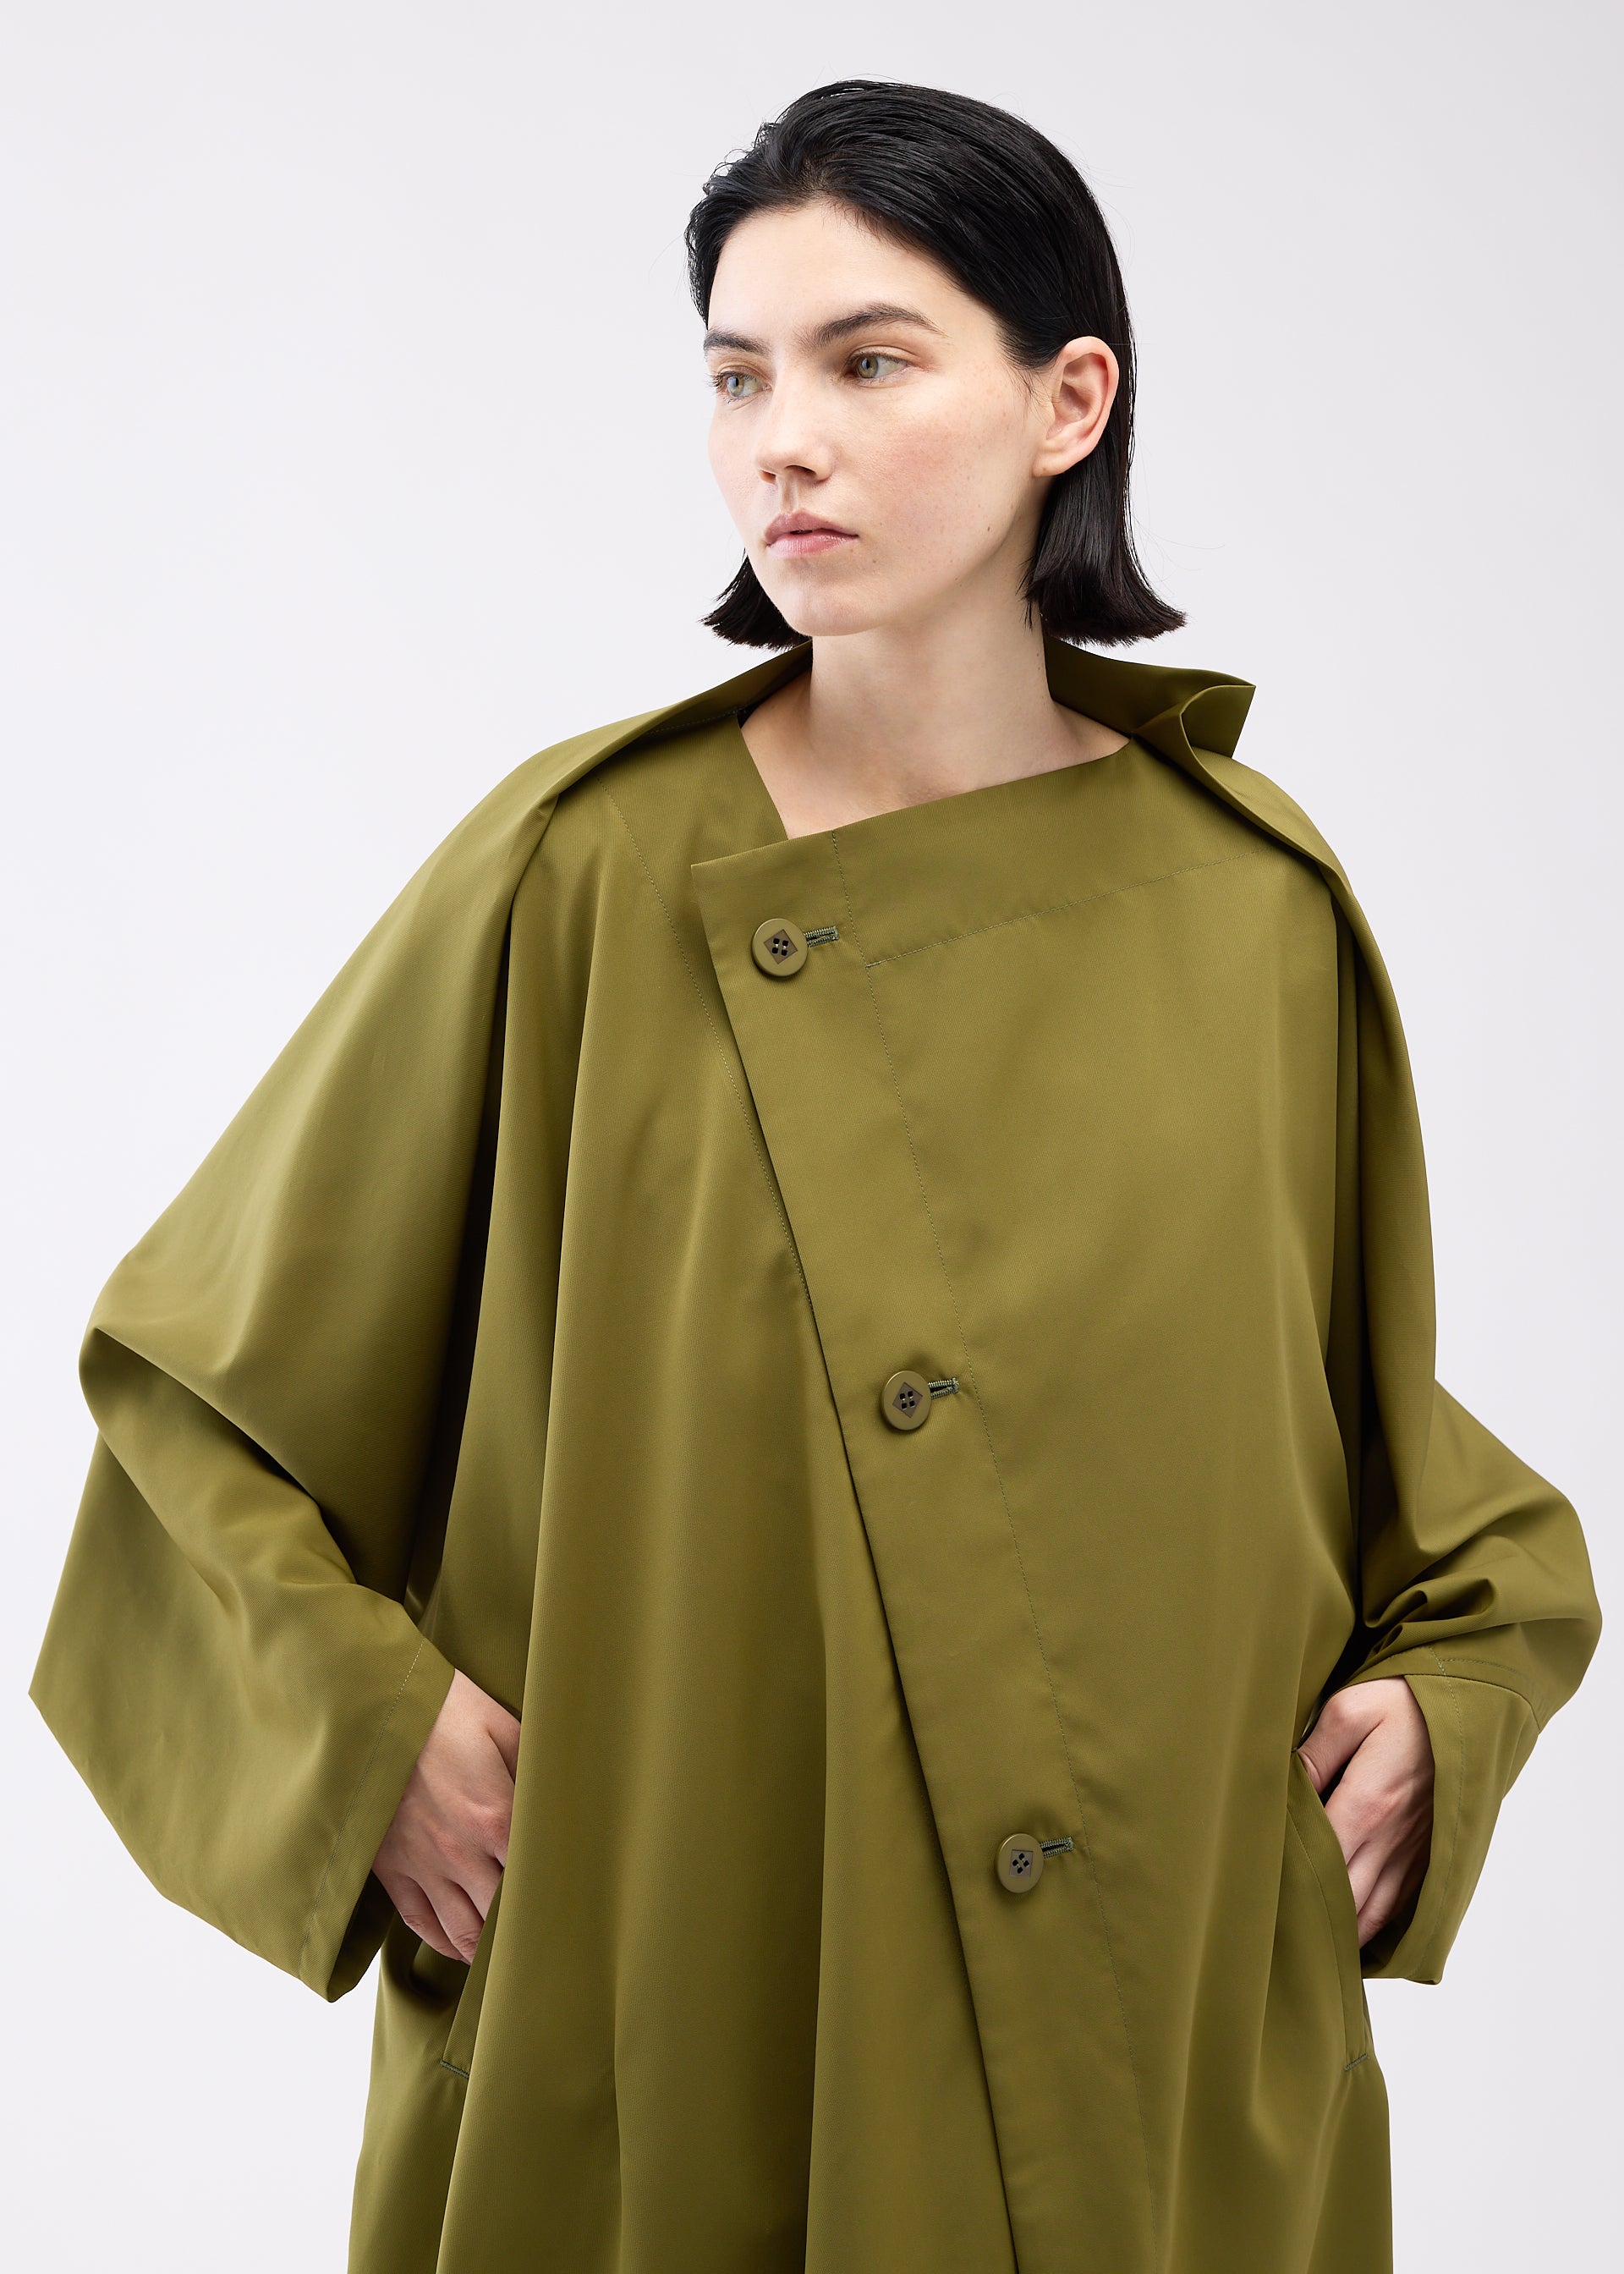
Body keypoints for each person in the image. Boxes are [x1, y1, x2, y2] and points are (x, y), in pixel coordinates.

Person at [30, 78, 1601, 2274]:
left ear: (1068, 403)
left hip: (1151, 2041)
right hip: (678, 1987)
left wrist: (1454, 1706)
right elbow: (198, 1401)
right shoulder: (581, 872)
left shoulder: (1257, 905)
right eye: (738, 377)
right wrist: (361, 1732)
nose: (784, 440)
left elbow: (1371, 1457)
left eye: (868, 363)